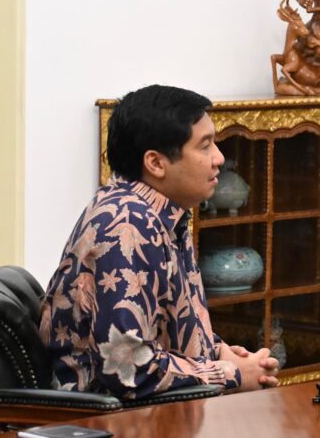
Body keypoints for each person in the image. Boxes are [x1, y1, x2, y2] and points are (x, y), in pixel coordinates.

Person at [40, 85, 279, 399]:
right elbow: (126, 367)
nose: (219, 158)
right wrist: (229, 374)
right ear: (155, 163)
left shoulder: (160, 213)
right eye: (205, 146)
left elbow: (169, 331)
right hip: (111, 417)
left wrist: (222, 353)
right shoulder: (127, 225)